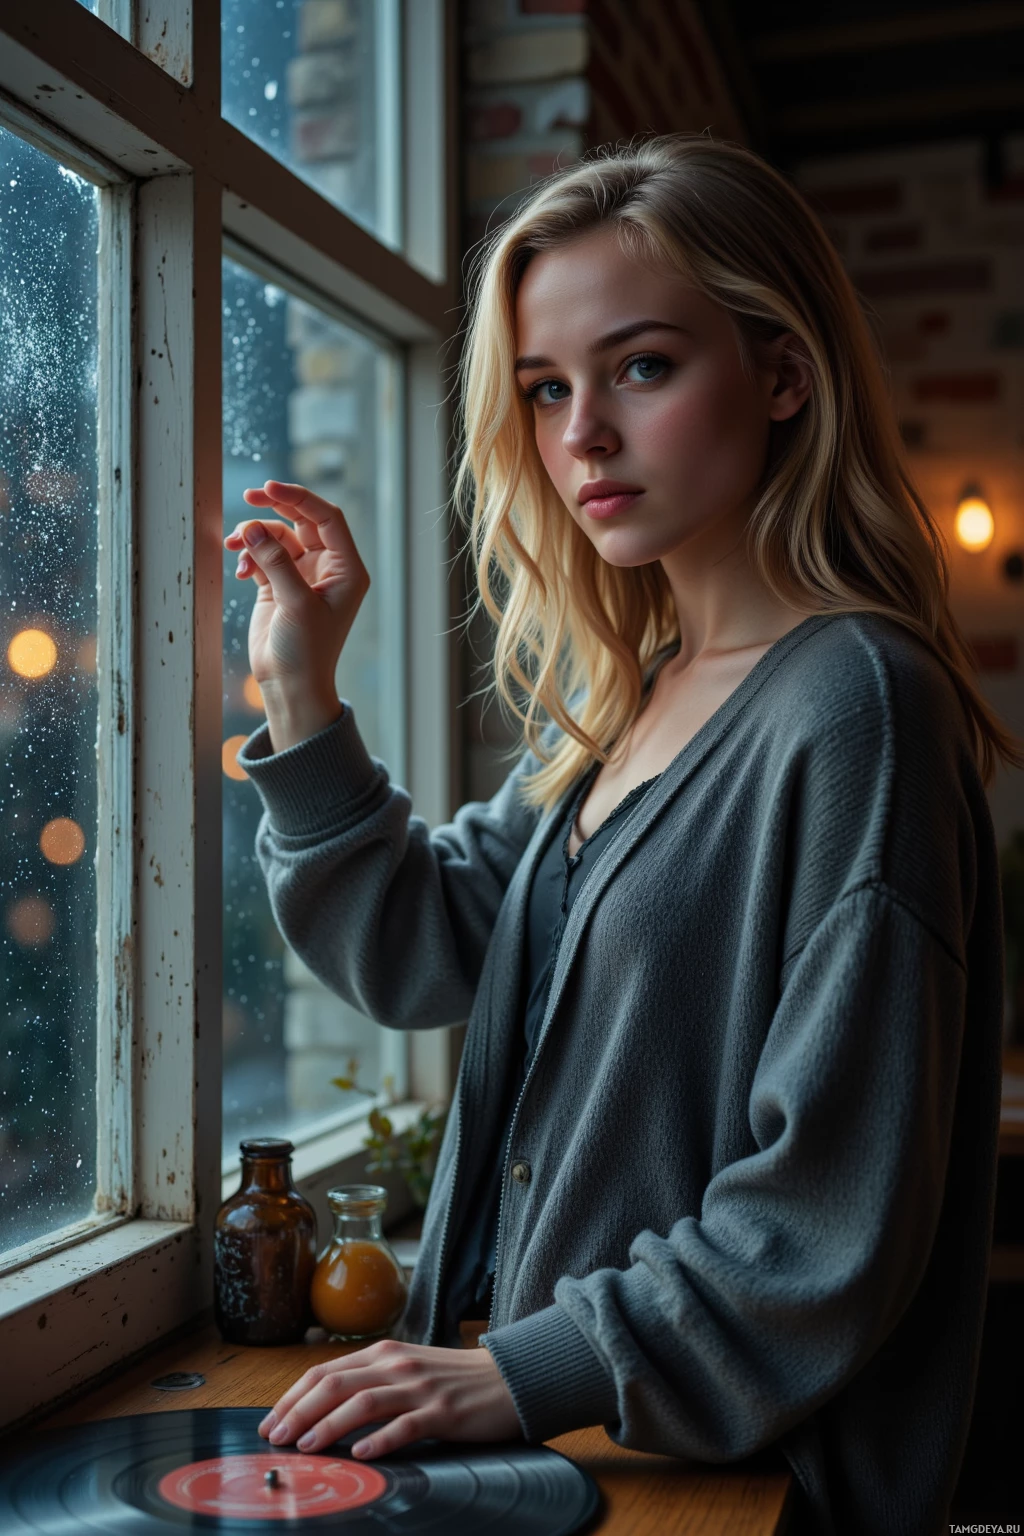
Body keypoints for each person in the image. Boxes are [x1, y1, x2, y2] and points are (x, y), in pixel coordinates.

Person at [224, 134, 1020, 1534]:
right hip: (573, 1458)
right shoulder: (629, 703)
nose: (582, 433)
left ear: (784, 375)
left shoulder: (858, 709)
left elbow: (826, 1216)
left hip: (737, 1492)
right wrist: (300, 685)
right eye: (546, 388)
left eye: (641, 367)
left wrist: (516, 1373)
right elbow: (414, 947)